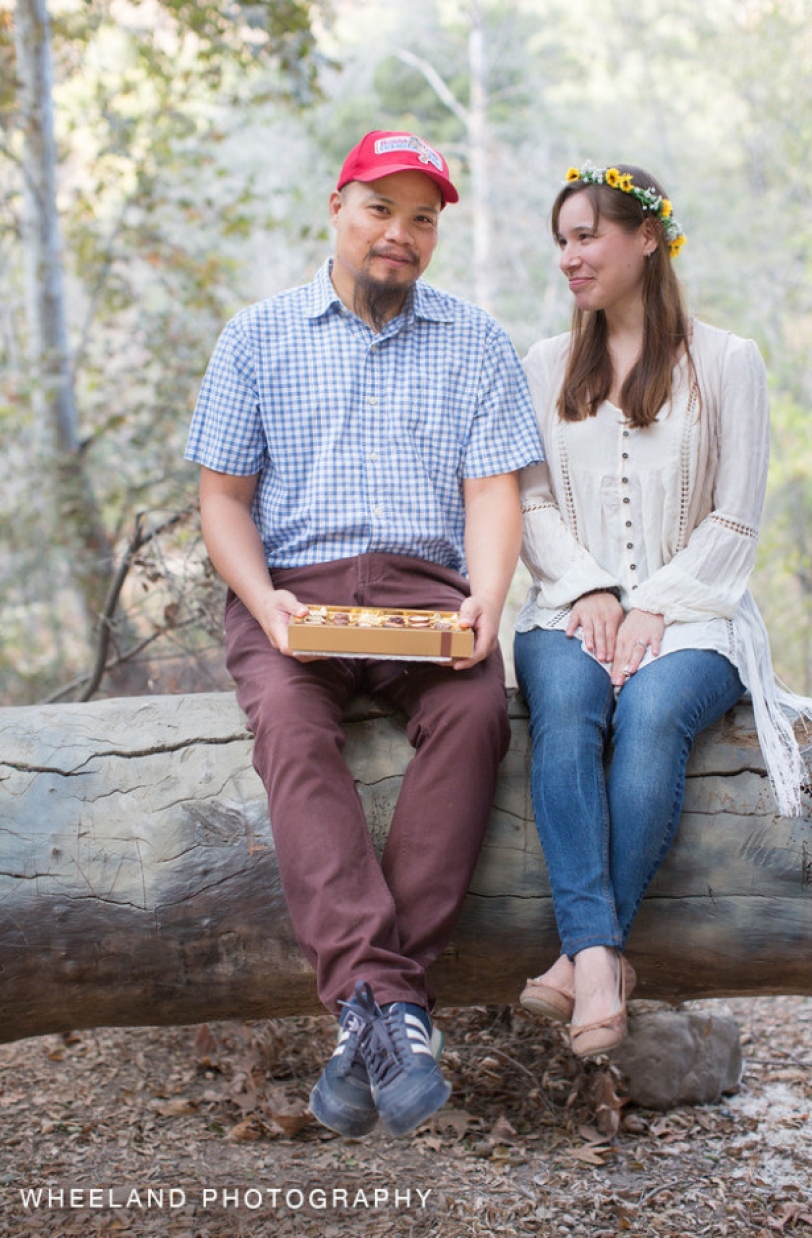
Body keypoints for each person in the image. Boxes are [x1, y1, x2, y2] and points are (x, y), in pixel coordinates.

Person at [185, 130, 542, 1137]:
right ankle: (396, 1005)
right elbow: (221, 500)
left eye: (423, 219)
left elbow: (491, 492)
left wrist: (487, 597)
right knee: (293, 733)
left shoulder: (475, 340)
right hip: (294, 594)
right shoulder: (256, 337)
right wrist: (264, 604)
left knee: (477, 715)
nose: (402, 233)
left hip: (428, 597)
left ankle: (368, 1014)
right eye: (382, 209)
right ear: (337, 206)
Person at [513, 161, 811, 1060]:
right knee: (566, 714)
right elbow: (527, 503)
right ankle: (603, 965)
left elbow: (734, 517)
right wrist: (596, 590)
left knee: (646, 718)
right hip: (569, 604)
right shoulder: (543, 364)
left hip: (699, 614)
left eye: (584, 235)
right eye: (559, 240)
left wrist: (652, 605)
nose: (568, 257)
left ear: (646, 237)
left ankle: (579, 960)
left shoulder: (727, 361)